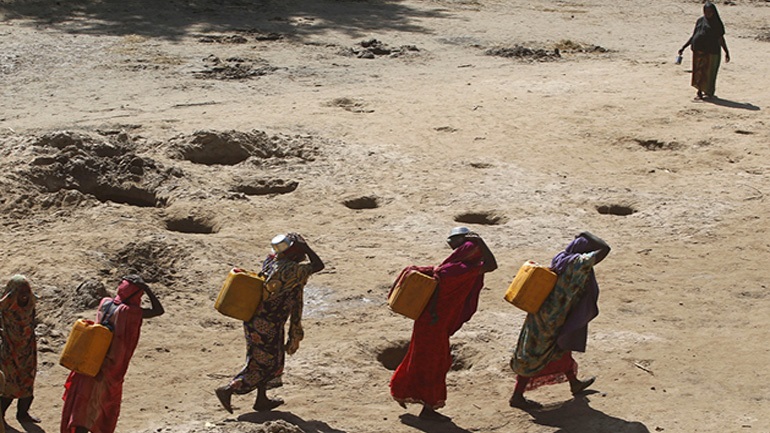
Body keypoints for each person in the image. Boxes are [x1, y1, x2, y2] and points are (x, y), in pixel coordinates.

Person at [390, 227, 497, 422]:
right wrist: (481, 242)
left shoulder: (447, 267)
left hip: (428, 322)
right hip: (435, 325)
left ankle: (404, 391)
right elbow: (491, 265)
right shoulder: (462, 270)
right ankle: (428, 409)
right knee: (435, 365)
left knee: (421, 360)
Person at [216, 233, 324, 413]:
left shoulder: (272, 260)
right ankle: (229, 389)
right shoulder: (289, 270)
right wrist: (305, 247)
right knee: (265, 364)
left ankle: (262, 400)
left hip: (257, 320)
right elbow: (319, 265)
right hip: (267, 324)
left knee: (265, 360)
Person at [509, 232, 610, 410]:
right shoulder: (578, 263)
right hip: (556, 316)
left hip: (541, 311)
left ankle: (574, 383)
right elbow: (606, 249)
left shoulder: (562, 257)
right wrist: (586, 234)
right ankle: (517, 396)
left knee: (557, 349)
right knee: (536, 354)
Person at [60, 274, 164, 433]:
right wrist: (147, 289)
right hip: (107, 368)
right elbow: (158, 310)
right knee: (94, 410)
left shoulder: (105, 302)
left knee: (82, 406)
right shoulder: (128, 312)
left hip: (90, 359)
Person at [1, 275, 39, 425]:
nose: (24, 295)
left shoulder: (31, 303)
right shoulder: (6, 306)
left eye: (26, 291)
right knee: (9, 387)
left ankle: (23, 414)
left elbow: (32, 321)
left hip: (28, 352)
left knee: (28, 384)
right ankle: (1, 419)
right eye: (20, 292)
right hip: (10, 353)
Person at [678, 1, 730, 100]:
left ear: (713, 12)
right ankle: (699, 92)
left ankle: (709, 92)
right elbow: (694, 35)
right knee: (698, 71)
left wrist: (726, 52)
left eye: (709, 12)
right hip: (698, 50)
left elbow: (721, 39)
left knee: (709, 73)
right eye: (705, 11)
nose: (707, 14)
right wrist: (684, 47)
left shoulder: (717, 23)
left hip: (712, 52)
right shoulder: (700, 21)